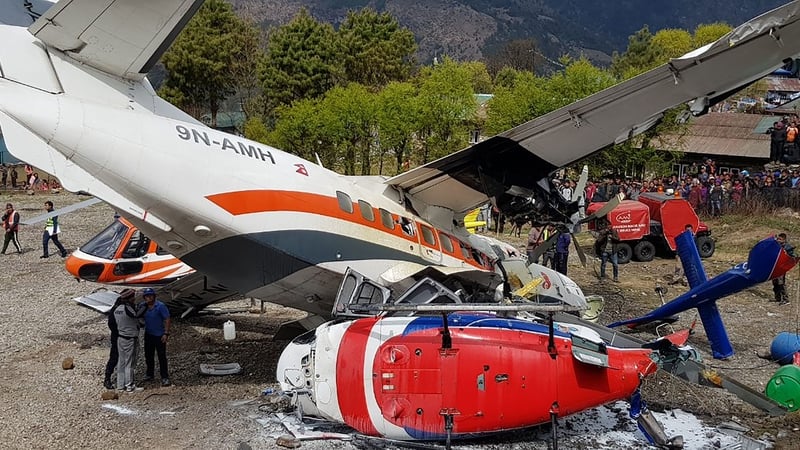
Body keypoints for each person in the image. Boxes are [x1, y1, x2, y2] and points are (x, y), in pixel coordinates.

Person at [104, 289, 135, 389]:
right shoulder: (123, 307)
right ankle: (108, 378)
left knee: (119, 358)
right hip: (120, 336)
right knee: (118, 358)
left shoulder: (117, 306)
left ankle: (119, 382)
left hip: (118, 335)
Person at [115, 289, 143, 392]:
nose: (134, 299)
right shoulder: (128, 309)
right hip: (130, 338)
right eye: (133, 297)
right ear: (129, 298)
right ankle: (129, 385)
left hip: (120, 337)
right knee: (129, 363)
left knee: (121, 362)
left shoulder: (117, 309)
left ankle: (120, 385)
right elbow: (136, 316)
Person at [141, 287, 171, 386]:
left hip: (159, 335)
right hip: (148, 334)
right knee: (148, 355)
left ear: (154, 296)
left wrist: (166, 333)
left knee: (161, 356)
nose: (148, 298)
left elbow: (167, 319)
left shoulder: (160, 306)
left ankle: (165, 377)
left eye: (150, 296)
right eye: (146, 296)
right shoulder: (143, 306)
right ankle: (150, 374)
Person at [773, 233, 796, 305]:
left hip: (782, 268)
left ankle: (786, 299)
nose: (778, 240)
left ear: (784, 240)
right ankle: (778, 297)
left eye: (780, 239)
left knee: (781, 283)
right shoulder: (777, 246)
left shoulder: (788, 247)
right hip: (776, 267)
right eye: (778, 239)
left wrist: (786, 254)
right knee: (775, 282)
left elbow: (792, 257)